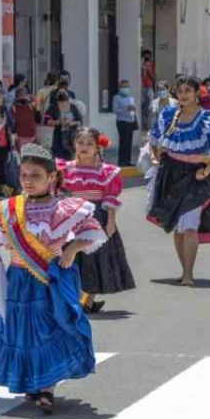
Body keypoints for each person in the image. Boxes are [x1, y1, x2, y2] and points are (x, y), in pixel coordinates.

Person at [0, 143, 106, 412]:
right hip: (19, 281)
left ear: (52, 177)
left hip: (52, 279)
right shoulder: (8, 209)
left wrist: (71, 249)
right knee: (23, 332)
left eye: (35, 175)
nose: (28, 180)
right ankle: (32, 384)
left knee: (51, 329)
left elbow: (92, 232)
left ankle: (47, 387)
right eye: (24, 175)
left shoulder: (63, 209)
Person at [147, 75, 210, 287]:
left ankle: (188, 274)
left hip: (195, 175)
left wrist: (207, 170)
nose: (183, 95)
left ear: (196, 94)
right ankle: (184, 269)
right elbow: (154, 140)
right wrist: (156, 157)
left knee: (190, 225)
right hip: (171, 174)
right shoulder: (168, 115)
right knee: (178, 227)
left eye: (187, 91)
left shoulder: (208, 119)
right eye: (180, 91)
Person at [57, 128, 135, 313]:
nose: (84, 147)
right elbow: (57, 195)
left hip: (96, 218)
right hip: (71, 217)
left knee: (94, 259)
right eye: (80, 142)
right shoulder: (64, 169)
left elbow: (110, 198)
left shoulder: (106, 171)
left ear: (97, 147)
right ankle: (74, 298)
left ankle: (87, 299)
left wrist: (110, 222)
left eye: (89, 144)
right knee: (71, 258)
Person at [45, 90, 82, 160]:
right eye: (60, 103)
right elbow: (46, 121)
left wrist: (72, 123)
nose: (63, 105)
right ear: (57, 102)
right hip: (58, 139)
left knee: (70, 160)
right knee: (58, 160)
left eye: (65, 103)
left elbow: (80, 121)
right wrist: (58, 122)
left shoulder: (73, 107)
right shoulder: (53, 108)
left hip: (71, 138)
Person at [113, 79, 139, 167]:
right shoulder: (117, 98)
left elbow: (133, 109)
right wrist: (126, 108)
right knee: (123, 141)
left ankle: (128, 160)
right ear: (120, 88)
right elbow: (115, 110)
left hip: (130, 121)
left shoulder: (130, 98)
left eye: (127, 87)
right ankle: (122, 161)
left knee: (129, 142)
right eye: (123, 87)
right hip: (122, 121)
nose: (125, 89)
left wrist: (133, 110)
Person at [11, 86, 38, 153]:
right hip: (19, 137)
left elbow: (37, 106)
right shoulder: (13, 108)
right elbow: (11, 123)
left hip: (31, 137)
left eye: (24, 94)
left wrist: (30, 100)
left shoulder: (30, 106)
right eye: (20, 95)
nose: (22, 97)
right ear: (16, 97)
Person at [141, 49, 156, 130]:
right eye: (145, 56)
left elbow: (153, 77)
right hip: (141, 87)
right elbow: (142, 76)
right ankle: (143, 124)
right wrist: (143, 69)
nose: (147, 58)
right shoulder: (140, 65)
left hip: (149, 87)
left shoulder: (151, 65)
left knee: (149, 107)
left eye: (148, 56)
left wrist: (148, 70)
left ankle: (147, 124)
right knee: (142, 106)